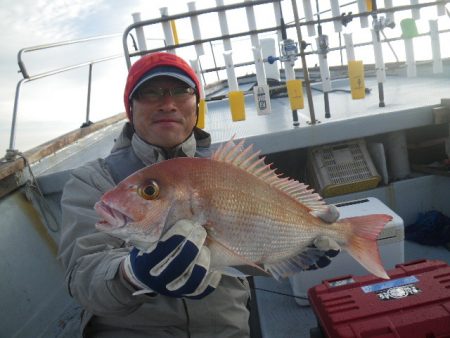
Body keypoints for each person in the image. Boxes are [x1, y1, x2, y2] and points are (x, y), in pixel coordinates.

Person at [58, 52, 340, 338]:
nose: (167, 104)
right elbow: (84, 276)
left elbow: (246, 258)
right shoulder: (92, 181)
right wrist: (130, 274)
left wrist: (298, 250)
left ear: (196, 105)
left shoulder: (226, 170)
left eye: (181, 91)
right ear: (130, 108)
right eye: (150, 93)